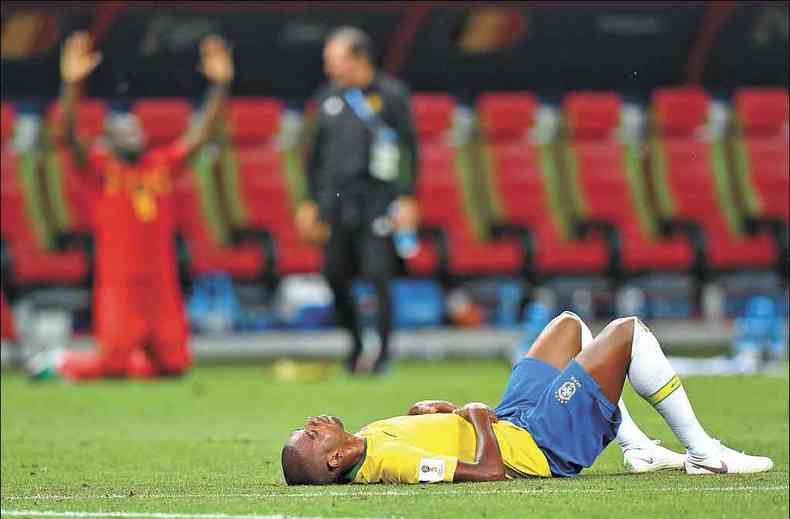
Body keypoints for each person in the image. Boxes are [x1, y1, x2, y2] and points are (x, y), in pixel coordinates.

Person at [281, 311, 773, 484]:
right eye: (310, 435)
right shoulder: (385, 463)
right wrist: (473, 418)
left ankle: (637, 448)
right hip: (537, 444)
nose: (313, 421)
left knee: (571, 327)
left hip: (514, 420)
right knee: (629, 334)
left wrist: (436, 413)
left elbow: (435, 444)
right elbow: (486, 473)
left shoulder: (367, 443)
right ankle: (705, 454)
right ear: (335, 459)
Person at [27, 31, 234, 380]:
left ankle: (137, 359)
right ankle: (58, 362)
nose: (134, 134)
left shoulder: (160, 164)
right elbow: (68, 134)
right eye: (124, 131)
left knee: (175, 365)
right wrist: (71, 86)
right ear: (108, 139)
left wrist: (221, 87)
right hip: (118, 281)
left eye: (137, 130)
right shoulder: (98, 168)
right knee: (113, 363)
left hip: (160, 281)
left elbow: (200, 135)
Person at [296, 26, 419, 375]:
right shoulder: (326, 98)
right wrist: (309, 202)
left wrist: (407, 197)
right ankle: (355, 343)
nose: (329, 68)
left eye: (334, 60)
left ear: (359, 58)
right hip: (337, 201)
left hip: (378, 199)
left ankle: (381, 356)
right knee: (334, 274)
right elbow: (314, 156)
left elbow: (410, 149)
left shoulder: (392, 96)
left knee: (379, 275)